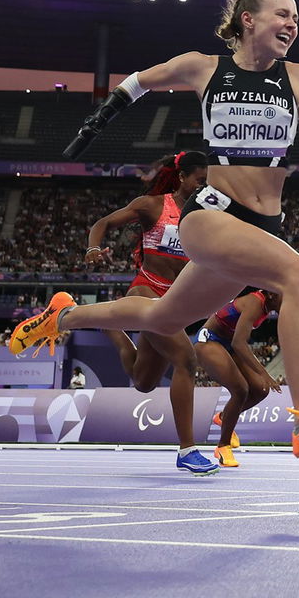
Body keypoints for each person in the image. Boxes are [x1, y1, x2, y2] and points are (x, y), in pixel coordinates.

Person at [9, 0, 299, 459]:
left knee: (163, 315)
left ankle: (62, 316)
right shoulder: (204, 67)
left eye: (297, 18)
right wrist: (104, 115)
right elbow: (140, 79)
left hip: (261, 226)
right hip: (211, 217)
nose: (293, 24)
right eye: (283, 14)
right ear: (248, 19)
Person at [82, 150, 216, 474]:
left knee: (143, 381)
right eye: (199, 181)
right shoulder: (153, 205)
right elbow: (103, 223)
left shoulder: (204, 217)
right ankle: (188, 450)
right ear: (182, 177)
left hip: (176, 303)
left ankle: (114, 330)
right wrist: (93, 248)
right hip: (147, 292)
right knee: (186, 361)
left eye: (207, 184)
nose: (203, 188)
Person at [194, 289, 284, 467]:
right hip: (210, 340)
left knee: (260, 389)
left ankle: (223, 416)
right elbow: (239, 343)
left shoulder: (268, 305)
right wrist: (265, 373)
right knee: (240, 389)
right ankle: (223, 447)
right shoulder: (255, 302)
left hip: (229, 343)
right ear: (272, 294)